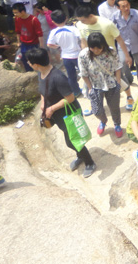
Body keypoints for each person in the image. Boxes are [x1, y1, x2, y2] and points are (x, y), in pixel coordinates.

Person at [27, 47, 97, 178]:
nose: (29, 64)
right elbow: (43, 90)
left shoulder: (58, 77)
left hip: (69, 112)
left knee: (73, 141)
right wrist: (43, 103)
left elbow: (70, 98)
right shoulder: (41, 73)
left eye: (29, 62)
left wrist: (51, 108)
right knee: (71, 138)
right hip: (59, 114)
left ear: (35, 64)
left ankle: (90, 163)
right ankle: (80, 156)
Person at [79, 32, 123, 137]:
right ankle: (103, 121)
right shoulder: (83, 55)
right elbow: (84, 73)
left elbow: (117, 67)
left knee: (114, 107)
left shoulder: (111, 51)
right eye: (92, 48)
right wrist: (90, 88)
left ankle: (117, 124)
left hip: (112, 84)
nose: (96, 51)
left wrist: (118, 82)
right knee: (97, 110)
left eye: (98, 48)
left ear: (103, 44)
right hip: (95, 86)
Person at [112, 0, 138, 110]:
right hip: (122, 46)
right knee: (123, 64)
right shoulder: (115, 17)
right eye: (123, 6)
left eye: (127, 5)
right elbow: (110, 30)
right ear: (118, 7)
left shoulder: (137, 14)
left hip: (136, 44)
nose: (126, 8)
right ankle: (128, 80)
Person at [47, 10, 82, 97]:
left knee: (71, 75)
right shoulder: (73, 29)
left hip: (66, 56)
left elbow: (49, 44)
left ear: (53, 21)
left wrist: (58, 47)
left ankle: (76, 91)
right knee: (84, 72)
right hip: (77, 55)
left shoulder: (53, 32)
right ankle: (90, 89)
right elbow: (81, 39)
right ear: (66, 18)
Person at [13, 3, 43, 72]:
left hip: (34, 44)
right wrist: (18, 42)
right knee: (24, 59)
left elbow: (40, 34)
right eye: (14, 13)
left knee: (35, 61)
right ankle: (29, 73)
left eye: (16, 12)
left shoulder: (33, 19)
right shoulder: (17, 19)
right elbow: (18, 32)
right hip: (24, 43)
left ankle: (39, 73)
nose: (14, 14)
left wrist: (41, 47)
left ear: (22, 11)